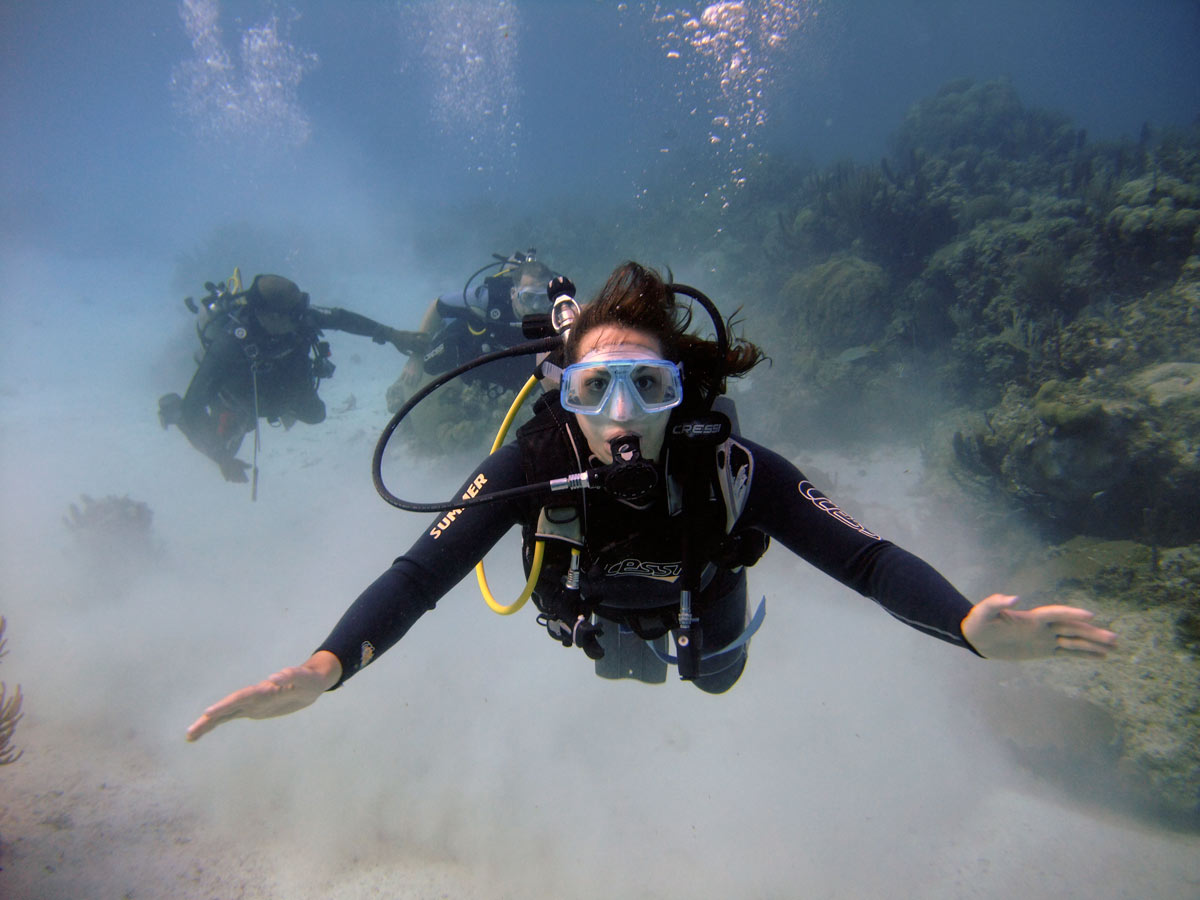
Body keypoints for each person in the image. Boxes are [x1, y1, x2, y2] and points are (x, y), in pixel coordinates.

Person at [187, 261, 1117, 740]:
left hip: (698, 594)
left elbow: (865, 557)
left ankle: (706, 646)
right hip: (582, 606)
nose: (622, 418)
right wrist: (323, 668)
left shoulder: (728, 466)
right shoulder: (533, 459)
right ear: (565, 397)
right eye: (595, 392)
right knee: (607, 652)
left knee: (717, 677)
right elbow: (422, 569)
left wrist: (965, 624)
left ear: (685, 389)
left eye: (649, 389)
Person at [159, 273, 427, 483]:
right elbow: (194, 406)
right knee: (223, 444)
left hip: (284, 387)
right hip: (239, 401)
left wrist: (392, 335)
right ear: (267, 315)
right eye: (295, 315)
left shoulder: (297, 316)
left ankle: (279, 406)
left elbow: (342, 319)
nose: (303, 318)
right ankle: (172, 411)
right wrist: (220, 459)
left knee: (316, 415)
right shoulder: (228, 346)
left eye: (302, 310)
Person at [386, 250, 560, 412]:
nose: (536, 307)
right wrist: (416, 355)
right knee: (428, 366)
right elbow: (437, 306)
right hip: (470, 349)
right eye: (528, 297)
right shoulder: (486, 299)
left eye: (542, 299)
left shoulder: (558, 310)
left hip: (510, 364)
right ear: (513, 293)